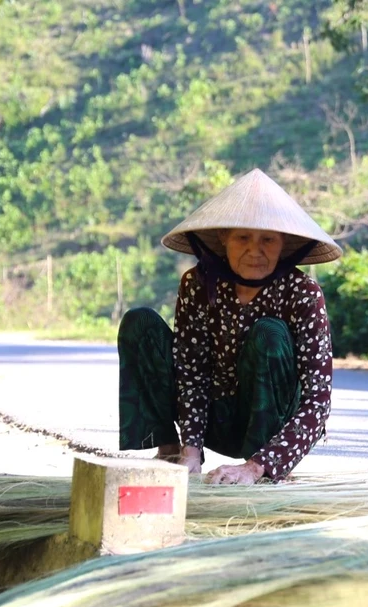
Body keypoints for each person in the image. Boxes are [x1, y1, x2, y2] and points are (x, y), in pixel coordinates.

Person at [117, 168, 342, 484]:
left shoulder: (303, 294)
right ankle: (170, 452)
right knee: (139, 323)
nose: (255, 250)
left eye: (268, 239)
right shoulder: (198, 284)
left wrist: (257, 466)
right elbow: (191, 369)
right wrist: (190, 451)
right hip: (212, 420)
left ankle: (262, 470)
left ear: (284, 243)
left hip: (269, 430)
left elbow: (318, 399)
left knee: (270, 333)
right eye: (242, 238)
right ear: (224, 238)